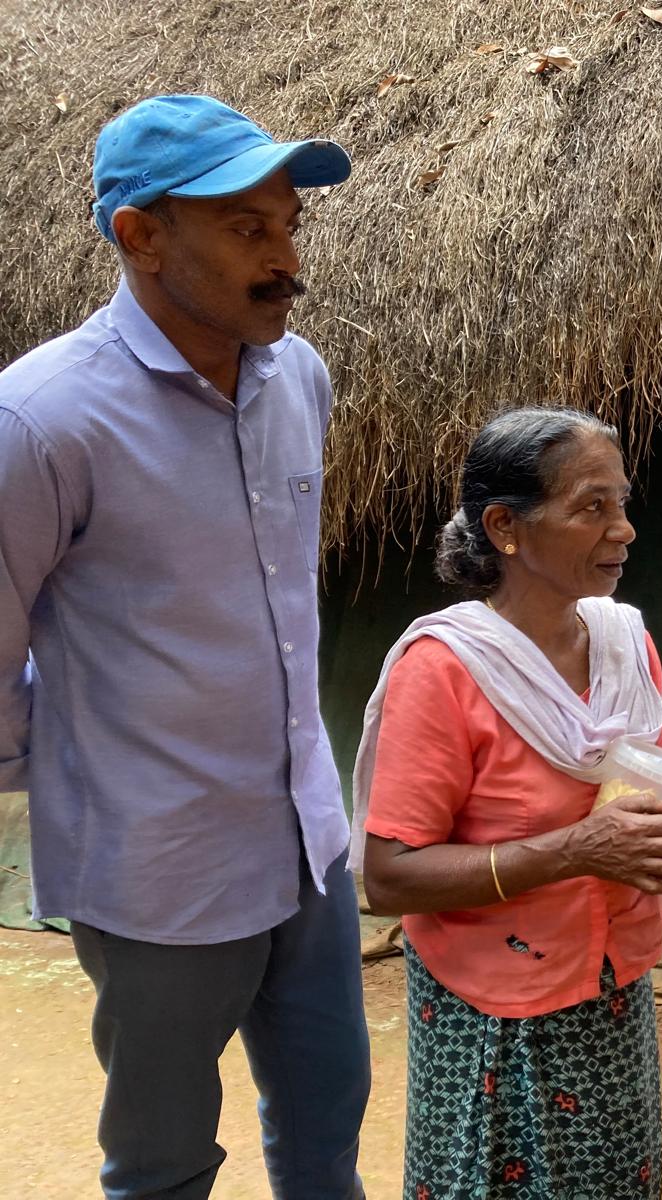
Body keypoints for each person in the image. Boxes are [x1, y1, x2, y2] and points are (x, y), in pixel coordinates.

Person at [0, 95, 368, 1197]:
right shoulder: (41, 420)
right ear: (142, 236)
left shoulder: (296, 378)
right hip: (158, 868)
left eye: (291, 225)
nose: (286, 258)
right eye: (248, 229)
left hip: (307, 837)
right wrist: (75, 769)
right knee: (162, 1165)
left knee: (325, 1135)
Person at [354, 407, 662, 1200]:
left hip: (612, 999)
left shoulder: (626, 645)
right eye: (592, 507)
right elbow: (388, 877)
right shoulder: (445, 669)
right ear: (505, 527)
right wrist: (578, 850)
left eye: (622, 505)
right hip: (492, 1019)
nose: (622, 530)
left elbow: (646, 797)